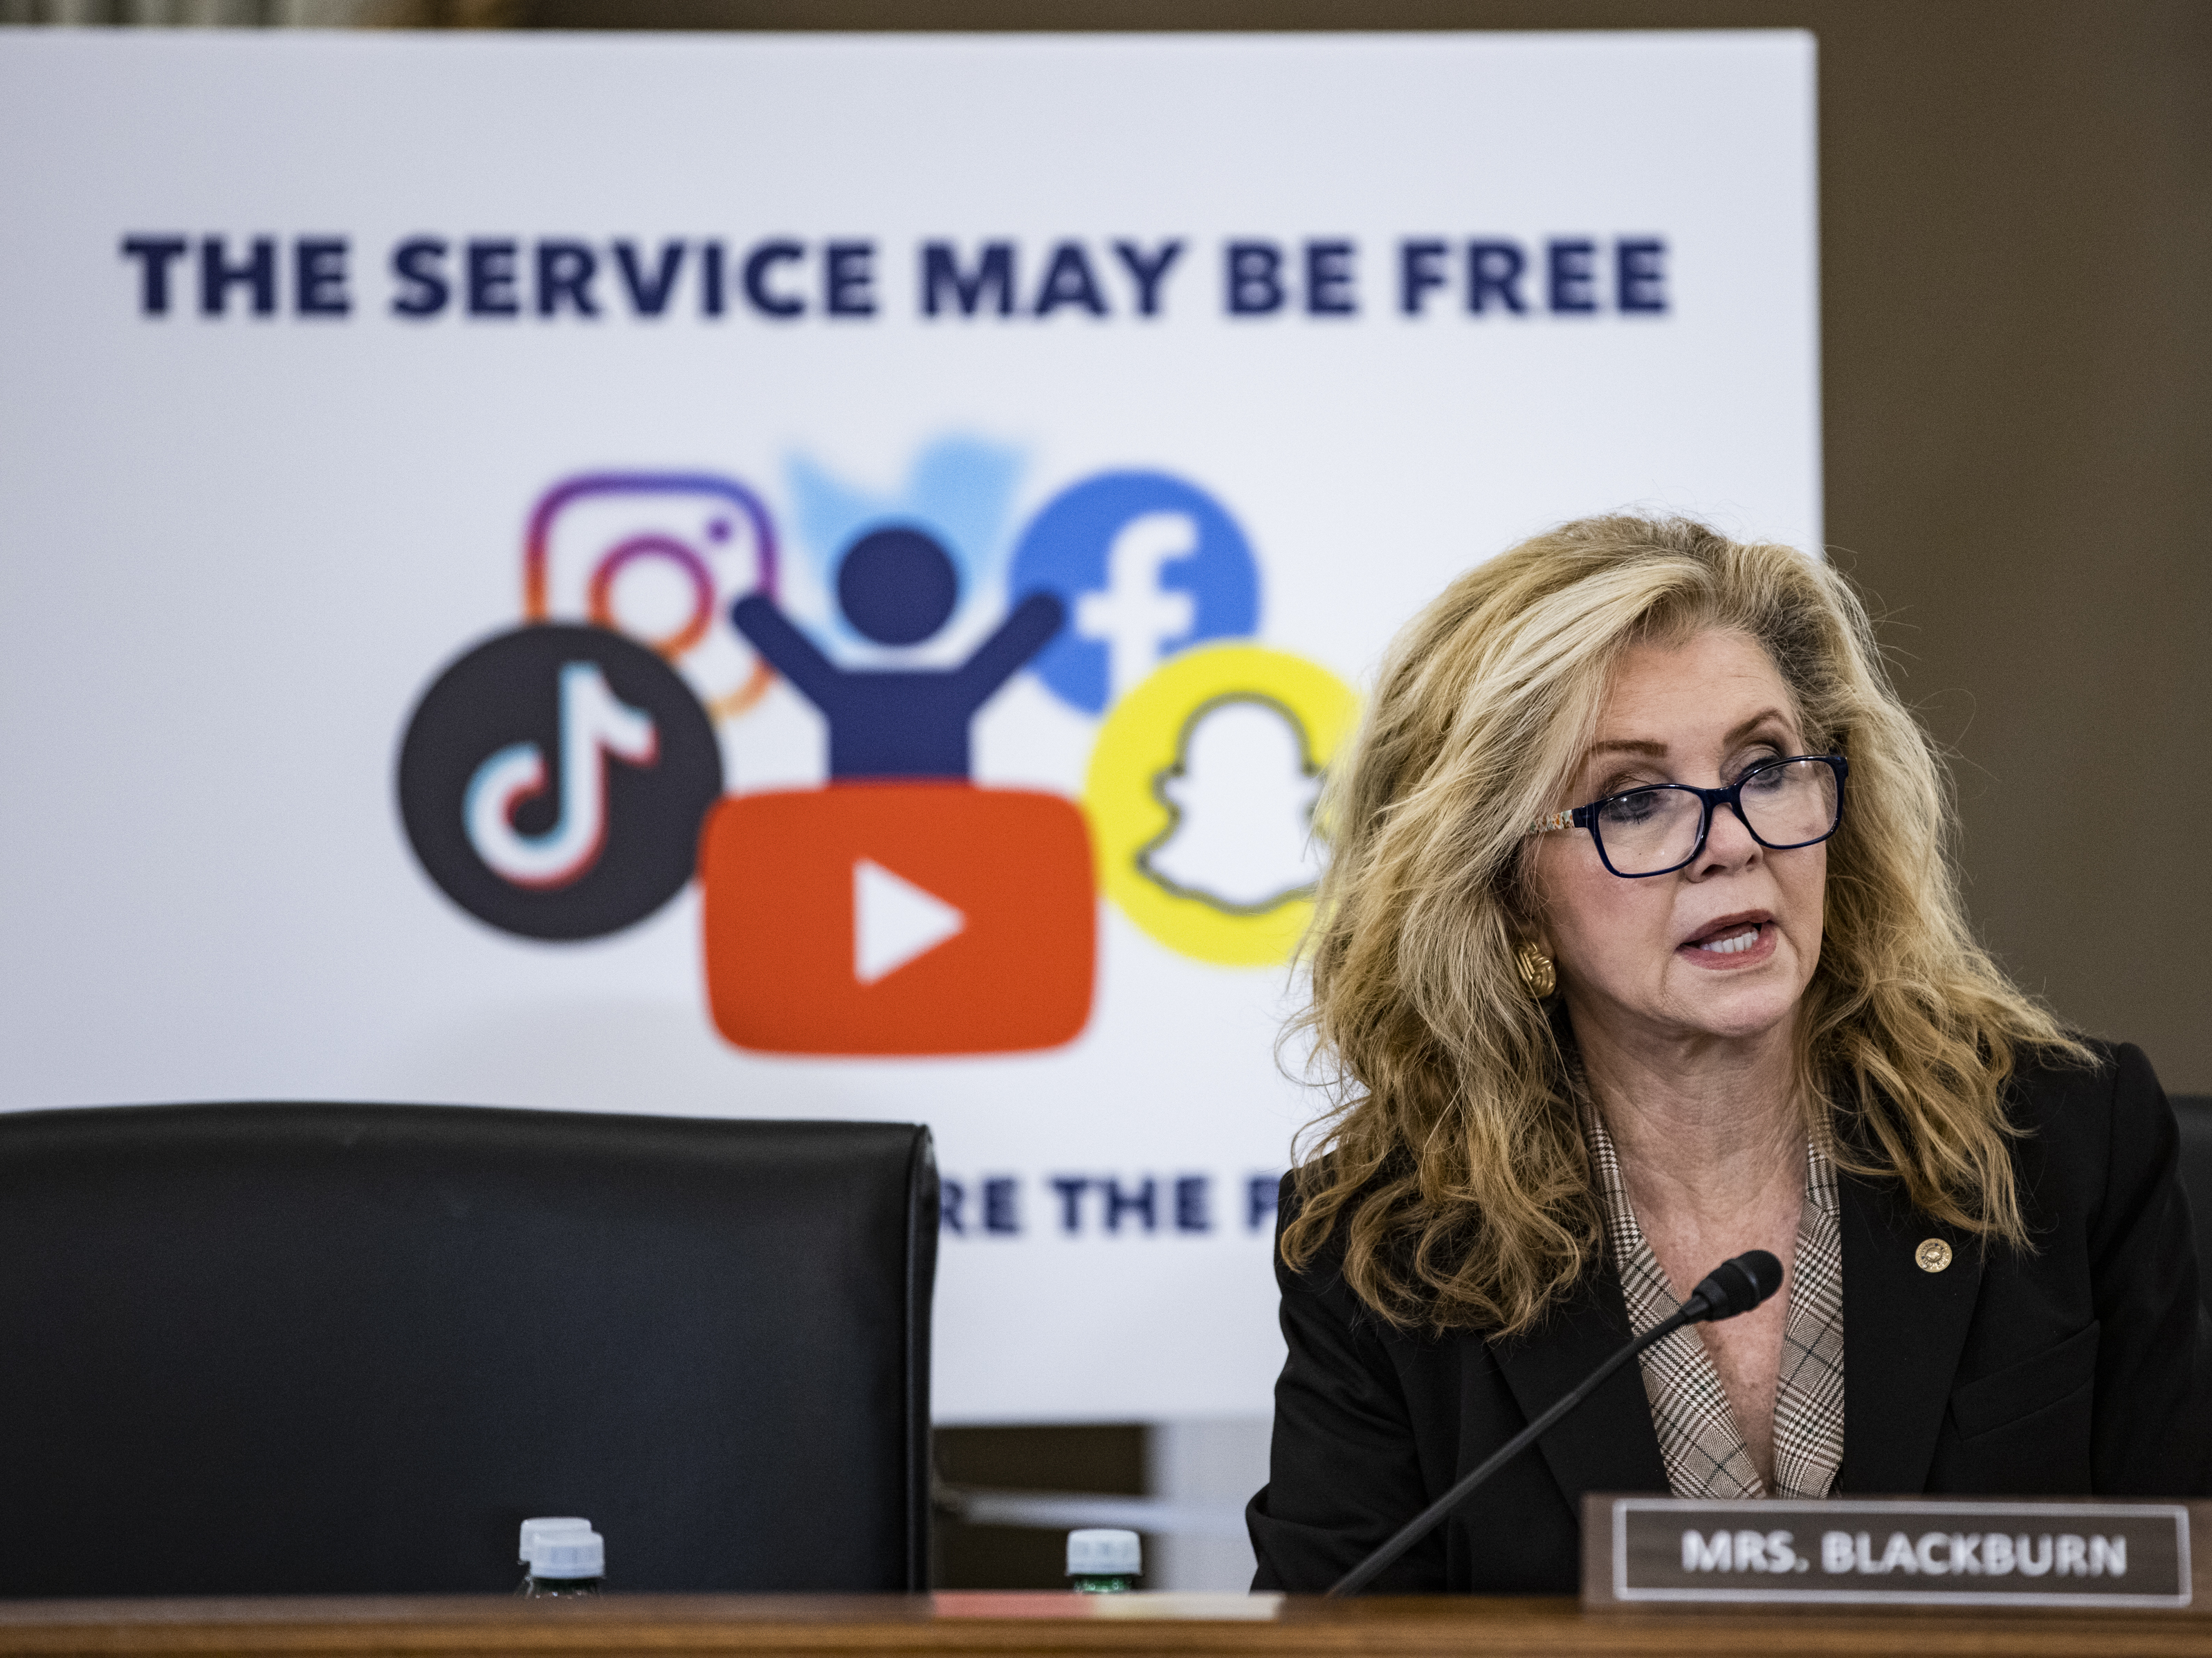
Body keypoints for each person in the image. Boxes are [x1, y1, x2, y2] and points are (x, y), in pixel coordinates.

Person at [1246, 515, 2212, 1594]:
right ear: (1503, 888)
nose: (1733, 839)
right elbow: (1330, 1627)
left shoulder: (2063, 1144)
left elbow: (2190, 1580)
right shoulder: (1388, 1246)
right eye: (1633, 799)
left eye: (1764, 766)